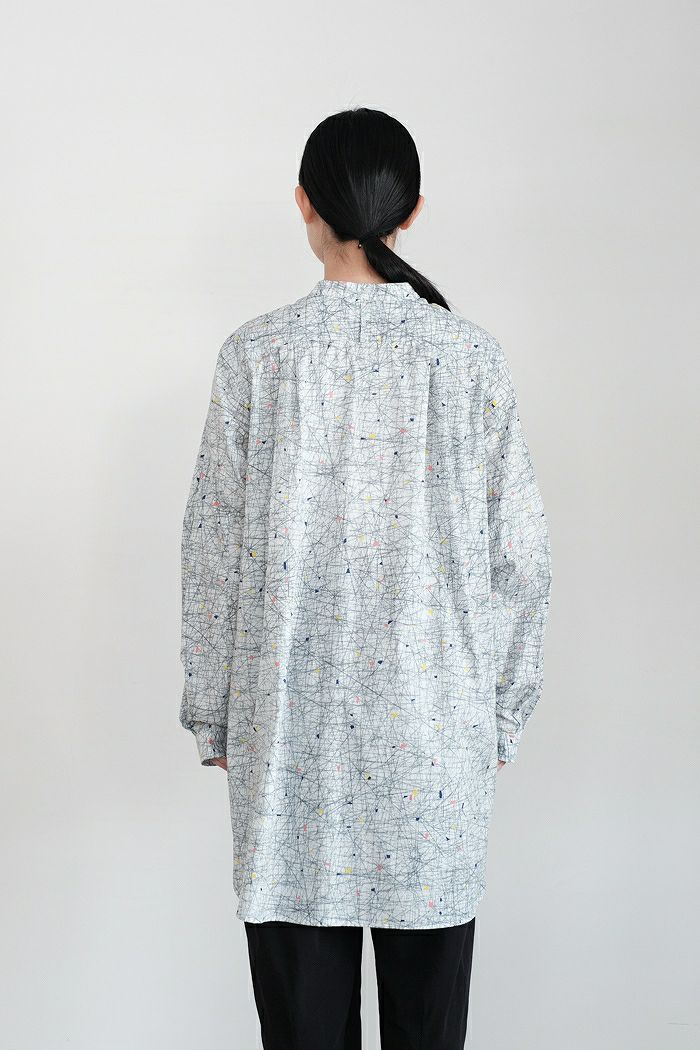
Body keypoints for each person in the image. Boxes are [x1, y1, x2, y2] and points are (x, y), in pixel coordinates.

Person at [178, 106, 552, 1050]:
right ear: (412, 212)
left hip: (286, 743)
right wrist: (501, 712)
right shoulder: (469, 359)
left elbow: (212, 550)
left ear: (303, 202)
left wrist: (213, 713)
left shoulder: (256, 356)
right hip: (436, 748)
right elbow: (521, 560)